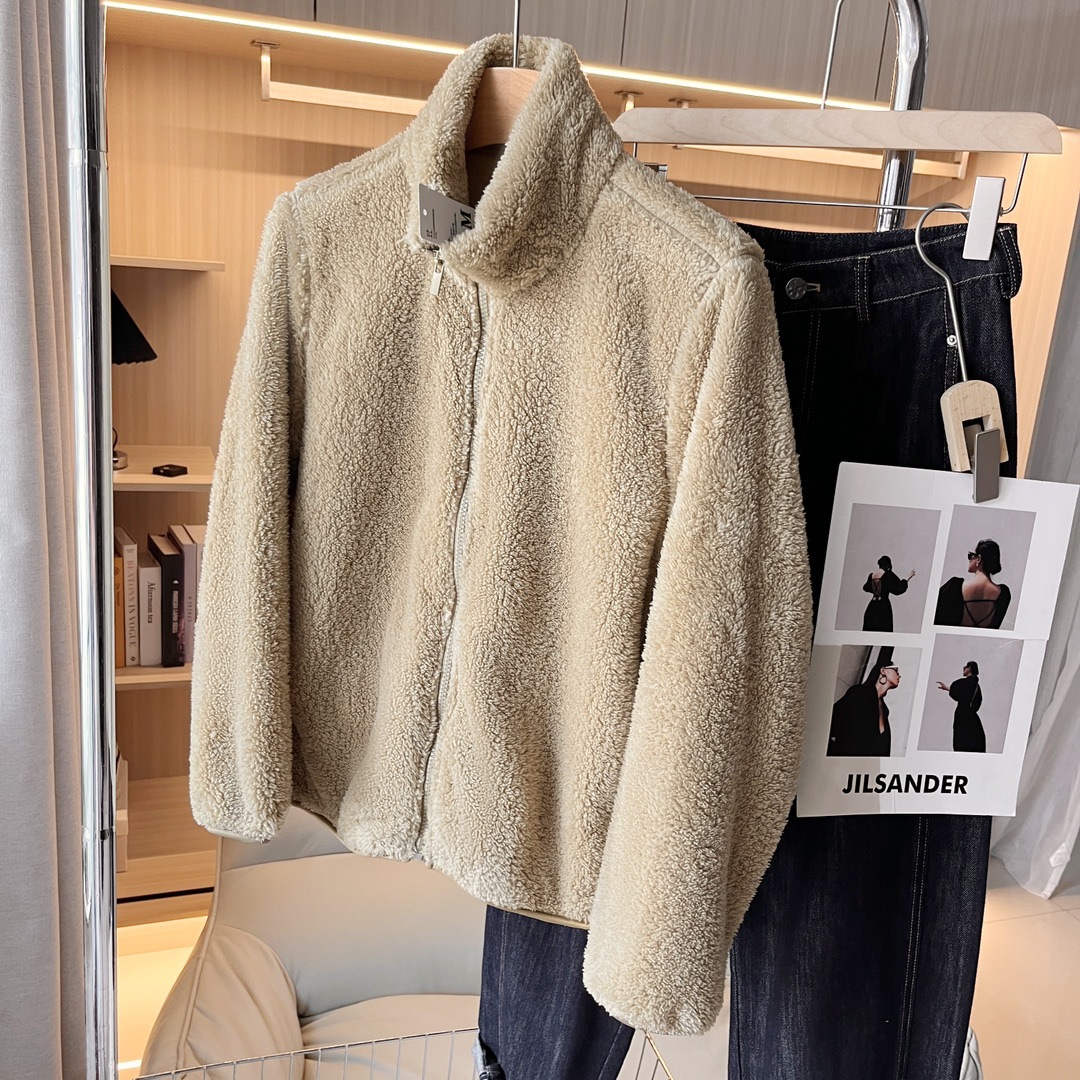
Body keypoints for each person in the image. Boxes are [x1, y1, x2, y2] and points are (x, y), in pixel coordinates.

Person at [827, 659, 900, 757]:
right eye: (896, 670)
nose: (899, 675)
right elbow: (828, 725)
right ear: (883, 670)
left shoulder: (885, 711)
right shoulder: (859, 693)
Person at [935, 539, 1011, 629]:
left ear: (979, 559)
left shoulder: (954, 586)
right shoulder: (1003, 594)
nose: (969, 559)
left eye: (970, 555)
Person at [937, 661, 986, 753]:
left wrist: (949, 688)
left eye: (965, 667)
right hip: (972, 718)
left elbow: (959, 693)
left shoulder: (967, 682)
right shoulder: (975, 685)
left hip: (963, 716)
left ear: (970, 668)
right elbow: (977, 701)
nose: (963, 669)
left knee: (962, 743)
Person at [862, 555, 916, 633]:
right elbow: (898, 588)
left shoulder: (871, 575)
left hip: (871, 608)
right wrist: (907, 578)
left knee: (869, 635)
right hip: (883, 608)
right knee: (884, 635)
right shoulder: (888, 574)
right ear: (888, 565)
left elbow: (866, 588)